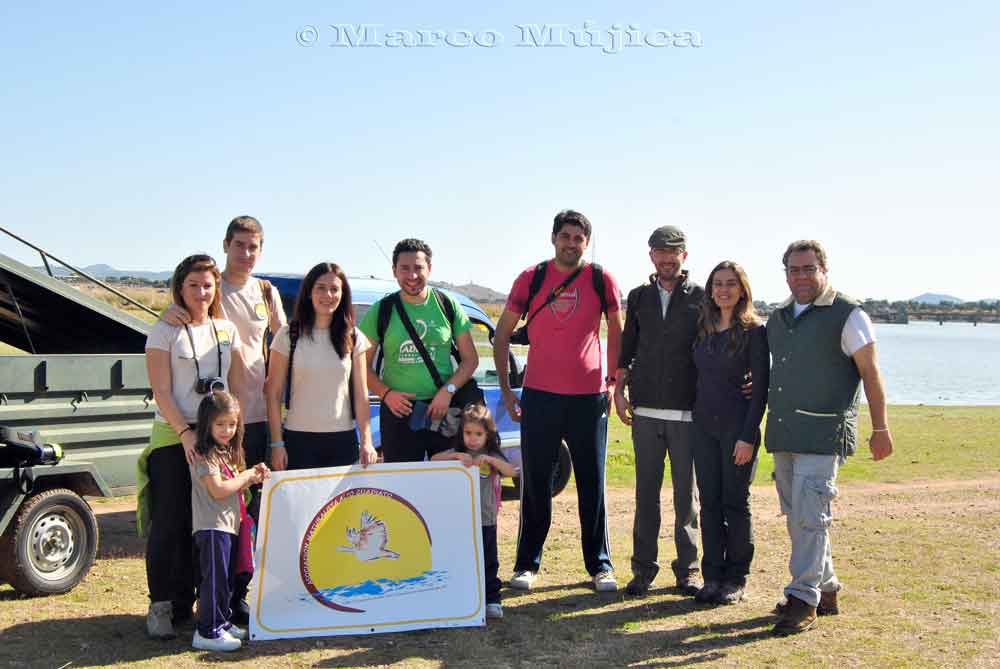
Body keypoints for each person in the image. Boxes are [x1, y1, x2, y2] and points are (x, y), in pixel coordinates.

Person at [160, 215, 285, 622]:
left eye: (254, 246)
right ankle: (185, 602)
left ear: (261, 249)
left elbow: (283, 346)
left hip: (254, 419)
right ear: (226, 245)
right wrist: (170, 309)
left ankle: (234, 598)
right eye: (239, 245)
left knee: (243, 515)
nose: (246, 254)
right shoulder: (210, 288)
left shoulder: (266, 292)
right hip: (210, 425)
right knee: (194, 516)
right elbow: (187, 315)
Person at [767, 240, 893, 636]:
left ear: (824, 269)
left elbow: (871, 374)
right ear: (785, 273)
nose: (801, 277)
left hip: (823, 433)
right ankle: (827, 588)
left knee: (811, 517)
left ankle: (803, 599)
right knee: (799, 517)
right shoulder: (780, 316)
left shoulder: (849, 315)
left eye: (808, 269)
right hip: (785, 431)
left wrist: (880, 428)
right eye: (794, 270)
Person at [493, 209, 623, 593]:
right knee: (536, 483)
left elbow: (617, 330)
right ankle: (527, 565)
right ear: (553, 238)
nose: (571, 244)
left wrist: (614, 381)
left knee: (591, 482)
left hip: (589, 397)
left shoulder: (601, 279)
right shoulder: (531, 278)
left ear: (587, 242)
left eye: (579, 238)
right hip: (540, 396)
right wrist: (505, 390)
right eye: (565, 236)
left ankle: (600, 566)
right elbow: (501, 337)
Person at [138, 254, 247, 640]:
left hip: (215, 439)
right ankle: (163, 605)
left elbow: (234, 388)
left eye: (208, 285)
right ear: (179, 288)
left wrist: (232, 438)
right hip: (173, 436)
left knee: (209, 525)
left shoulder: (225, 329)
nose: (201, 293)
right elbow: (161, 391)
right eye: (193, 285)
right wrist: (185, 434)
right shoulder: (164, 330)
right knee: (171, 522)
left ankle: (206, 605)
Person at [613, 225, 704, 597]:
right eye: (660, 252)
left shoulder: (703, 296)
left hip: (688, 413)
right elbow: (627, 350)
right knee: (645, 495)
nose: (667, 258)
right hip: (646, 411)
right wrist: (618, 392)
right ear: (651, 255)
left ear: (685, 255)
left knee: (687, 498)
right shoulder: (638, 297)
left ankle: (688, 571)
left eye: (674, 252)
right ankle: (643, 570)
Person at [690, 261, 769, 605]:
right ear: (710, 289)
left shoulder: (754, 331)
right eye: (718, 283)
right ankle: (712, 576)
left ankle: (736, 578)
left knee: (735, 504)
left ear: (742, 290)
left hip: (738, 430)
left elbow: (762, 389)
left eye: (731, 284)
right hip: (703, 429)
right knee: (709, 504)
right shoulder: (703, 329)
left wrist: (748, 435)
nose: (723, 290)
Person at [359, 238, 479, 463]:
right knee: (402, 487)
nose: (412, 276)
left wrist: (448, 391)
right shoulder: (382, 310)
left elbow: (470, 360)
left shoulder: (447, 305)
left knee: (448, 484)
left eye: (418, 268)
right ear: (394, 271)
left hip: (443, 410)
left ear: (430, 269)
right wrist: (386, 394)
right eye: (404, 268)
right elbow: (359, 366)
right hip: (398, 413)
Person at [264, 262, 377, 470]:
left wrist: (367, 442)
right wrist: (277, 444)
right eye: (321, 288)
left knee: (342, 504)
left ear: (343, 294)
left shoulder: (354, 337)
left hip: (343, 441)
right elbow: (273, 393)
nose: (328, 295)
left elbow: (361, 395)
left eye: (335, 289)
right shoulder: (288, 335)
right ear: (309, 292)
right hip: (298, 441)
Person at [189, 391, 269, 652]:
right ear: (207, 423)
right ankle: (207, 632)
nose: (227, 430)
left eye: (232, 424)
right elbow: (218, 489)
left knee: (226, 580)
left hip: (229, 527)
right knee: (214, 580)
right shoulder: (204, 454)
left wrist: (255, 474)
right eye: (220, 424)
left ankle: (222, 622)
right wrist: (247, 476)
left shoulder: (225, 453)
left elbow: (236, 485)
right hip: (212, 527)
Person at [432, 404, 516, 620]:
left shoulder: (492, 455)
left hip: (486, 519)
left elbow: (512, 471)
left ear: (488, 435)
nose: (472, 439)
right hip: (461, 520)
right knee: (462, 559)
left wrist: (490, 461)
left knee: (488, 560)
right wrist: (456, 457)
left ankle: (492, 599)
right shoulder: (458, 454)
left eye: (478, 434)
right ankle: (464, 598)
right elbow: (433, 460)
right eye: (468, 433)